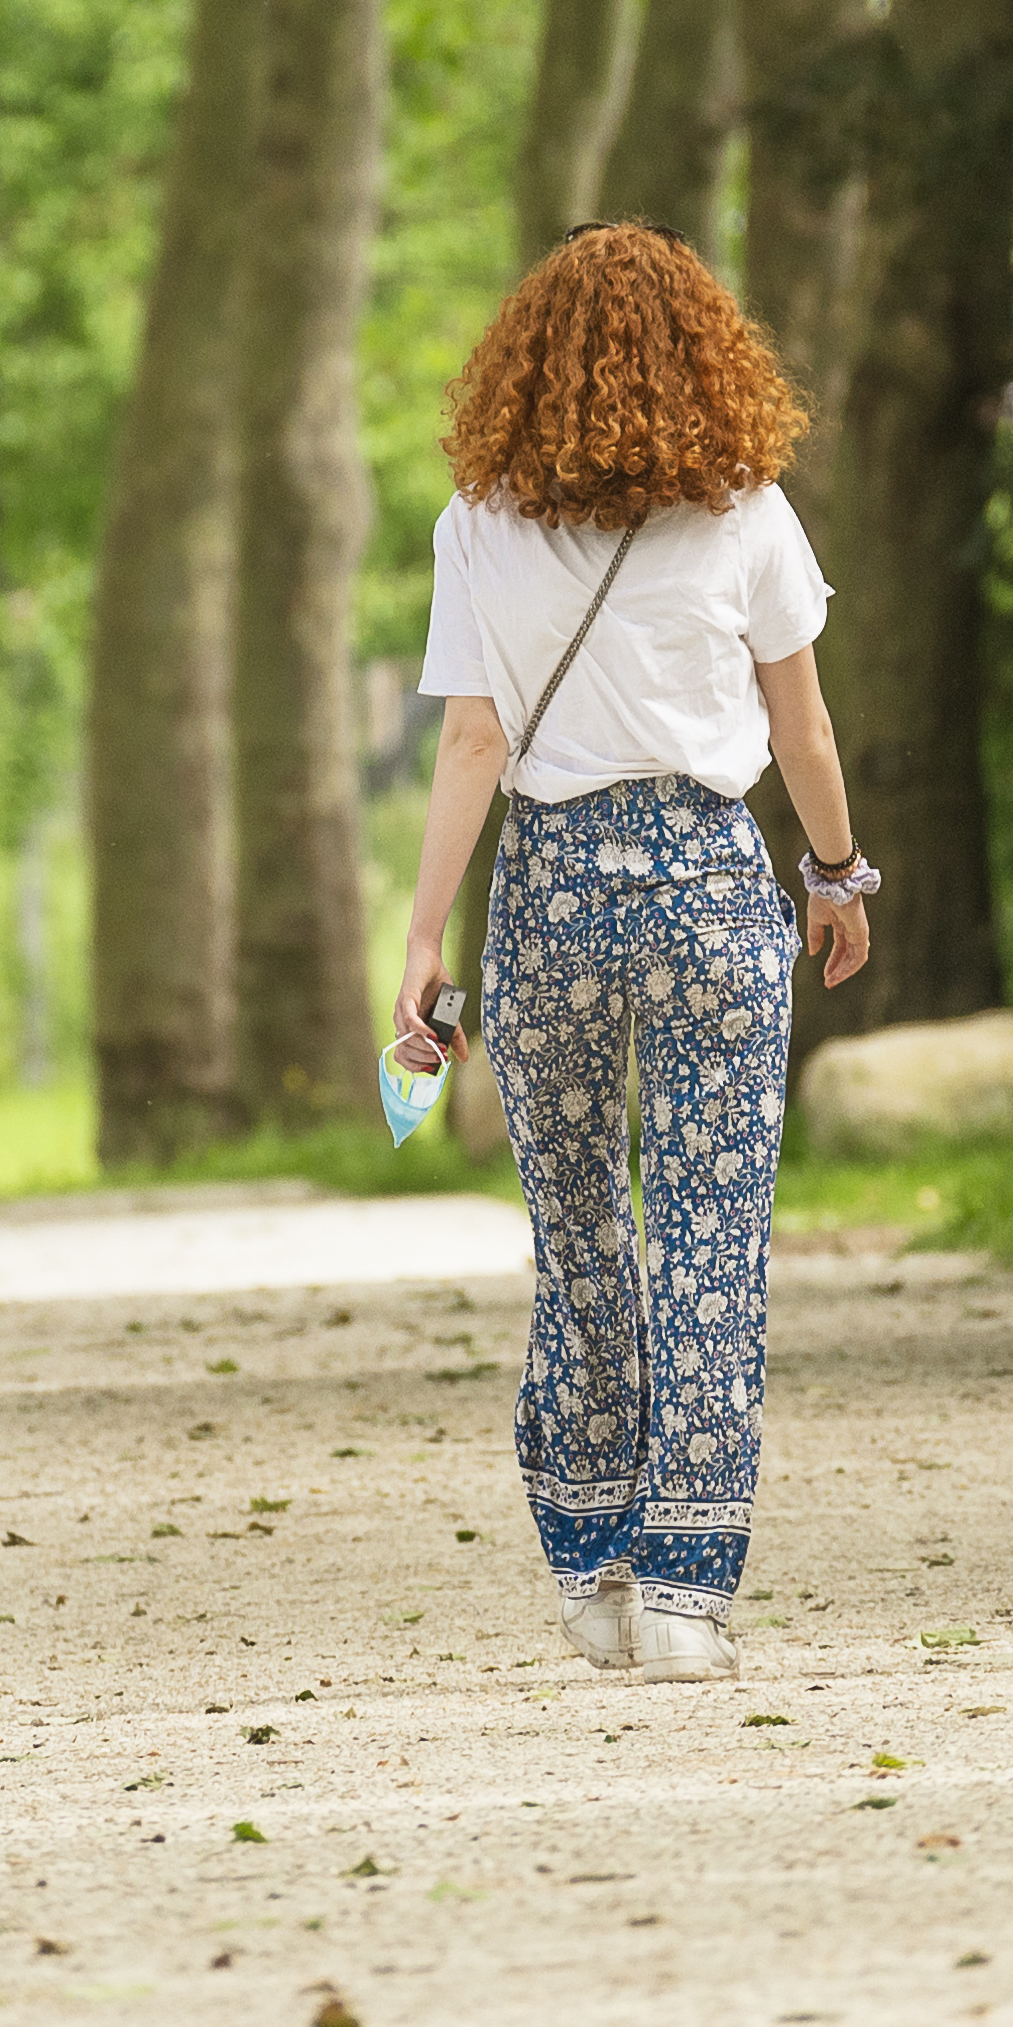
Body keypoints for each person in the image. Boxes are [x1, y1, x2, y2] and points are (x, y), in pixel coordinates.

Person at [390, 221, 873, 1685]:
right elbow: (798, 723)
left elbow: (472, 738)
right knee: (710, 1244)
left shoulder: (476, 517)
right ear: (704, 355)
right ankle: (685, 1593)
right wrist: (838, 873)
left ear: (521, 363)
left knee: (579, 1239)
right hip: (714, 891)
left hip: (546, 895)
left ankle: (589, 1562)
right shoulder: (743, 510)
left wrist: (421, 938)